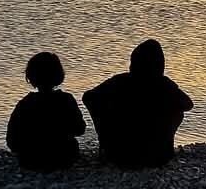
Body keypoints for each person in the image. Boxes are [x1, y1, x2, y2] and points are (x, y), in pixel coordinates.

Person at [83, 39, 193, 169]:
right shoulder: (164, 85)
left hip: (118, 156)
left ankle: (109, 145)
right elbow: (188, 104)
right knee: (177, 111)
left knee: (98, 103)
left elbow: (88, 97)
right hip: (159, 158)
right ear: (160, 65)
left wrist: (105, 118)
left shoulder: (120, 81)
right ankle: (160, 146)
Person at [6, 52, 86, 171]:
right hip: (64, 158)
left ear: (30, 77)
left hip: (30, 161)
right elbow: (80, 130)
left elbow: (12, 140)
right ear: (59, 75)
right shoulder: (66, 100)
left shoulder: (25, 104)